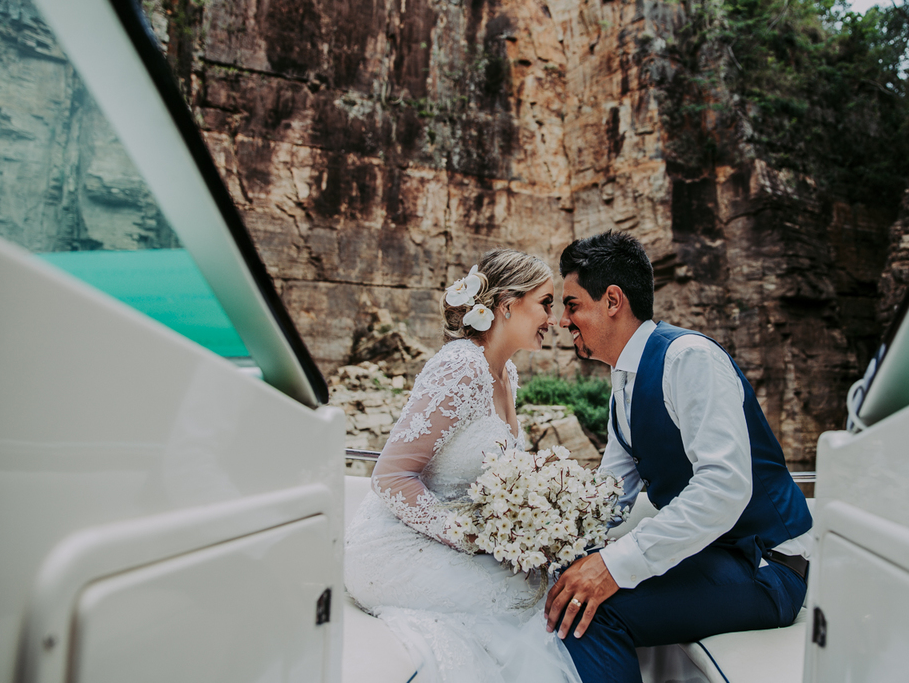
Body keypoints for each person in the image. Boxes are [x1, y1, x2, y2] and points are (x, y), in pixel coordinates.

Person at [545, 231, 813, 683]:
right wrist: (546, 544)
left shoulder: (689, 359)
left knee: (586, 615)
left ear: (613, 300)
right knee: (561, 589)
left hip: (766, 565)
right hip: (715, 554)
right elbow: (609, 497)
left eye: (572, 305)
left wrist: (610, 566)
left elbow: (723, 487)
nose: (562, 321)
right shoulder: (623, 387)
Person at [344, 249, 581, 683]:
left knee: (547, 581)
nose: (554, 319)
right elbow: (391, 477)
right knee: (528, 597)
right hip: (396, 547)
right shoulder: (460, 367)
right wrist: (471, 535)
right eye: (546, 303)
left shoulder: (505, 373)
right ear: (508, 304)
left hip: (453, 539)